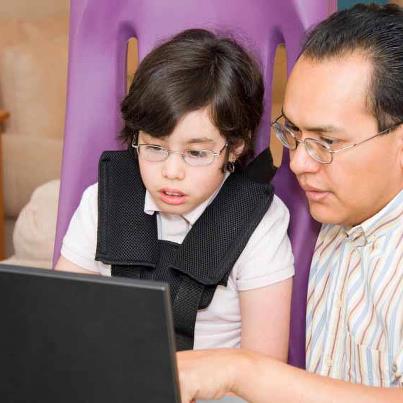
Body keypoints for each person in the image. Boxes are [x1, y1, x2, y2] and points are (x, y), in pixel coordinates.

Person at [177, 4, 402, 402]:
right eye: (293, 132)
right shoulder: (338, 213)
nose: (298, 163)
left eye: (326, 142)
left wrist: (239, 370)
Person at [55, 29, 294, 357]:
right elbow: (59, 319)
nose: (171, 172)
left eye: (196, 153)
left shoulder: (259, 222)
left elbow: (265, 368)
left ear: (235, 146)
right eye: (154, 147)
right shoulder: (104, 202)